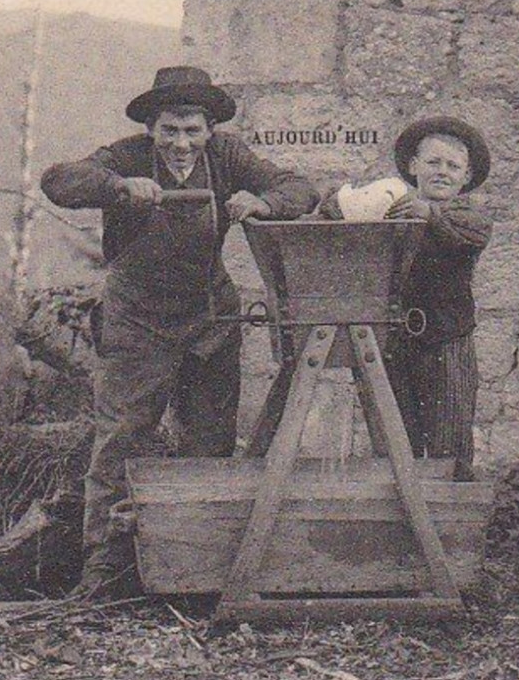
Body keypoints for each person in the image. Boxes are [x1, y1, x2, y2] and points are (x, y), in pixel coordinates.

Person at [41, 66, 327, 598]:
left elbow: (299, 188)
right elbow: (58, 180)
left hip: (209, 320)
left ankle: (200, 570)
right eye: (169, 130)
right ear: (151, 128)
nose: (180, 143)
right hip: (136, 321)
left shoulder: (228, 158)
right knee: (122, 439)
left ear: (209, 130)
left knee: (211, 443)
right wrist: (119, 188)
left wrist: (262, 203)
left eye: (192, 130)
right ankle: (104, 572)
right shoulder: (124, 157)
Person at [319, 117, 493, 482]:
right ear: (414, 167)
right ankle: (400, 531)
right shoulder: (394, 206)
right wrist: (346, 202)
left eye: (453, 166)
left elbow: (467, 234)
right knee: (394, 448)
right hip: (393, 344)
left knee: (451, 448)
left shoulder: (469, 215)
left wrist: (427, 213)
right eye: (433, 162)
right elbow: (340, 210)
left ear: (466, 176)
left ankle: (451, 528)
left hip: (447, 344)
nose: (442, 172)